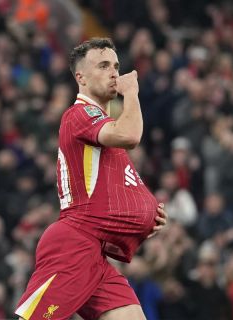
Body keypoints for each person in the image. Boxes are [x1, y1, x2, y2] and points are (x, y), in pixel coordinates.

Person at [15, 37, 168, 320]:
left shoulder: (103, 130)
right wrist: (131, 93)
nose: (114, 72)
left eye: (116, 66)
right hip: (73, 244)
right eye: (103, 65)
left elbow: (111, 192)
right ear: (81, 77)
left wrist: (143, 215)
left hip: (95, 253)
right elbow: (131, 136)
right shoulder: (80, 114)